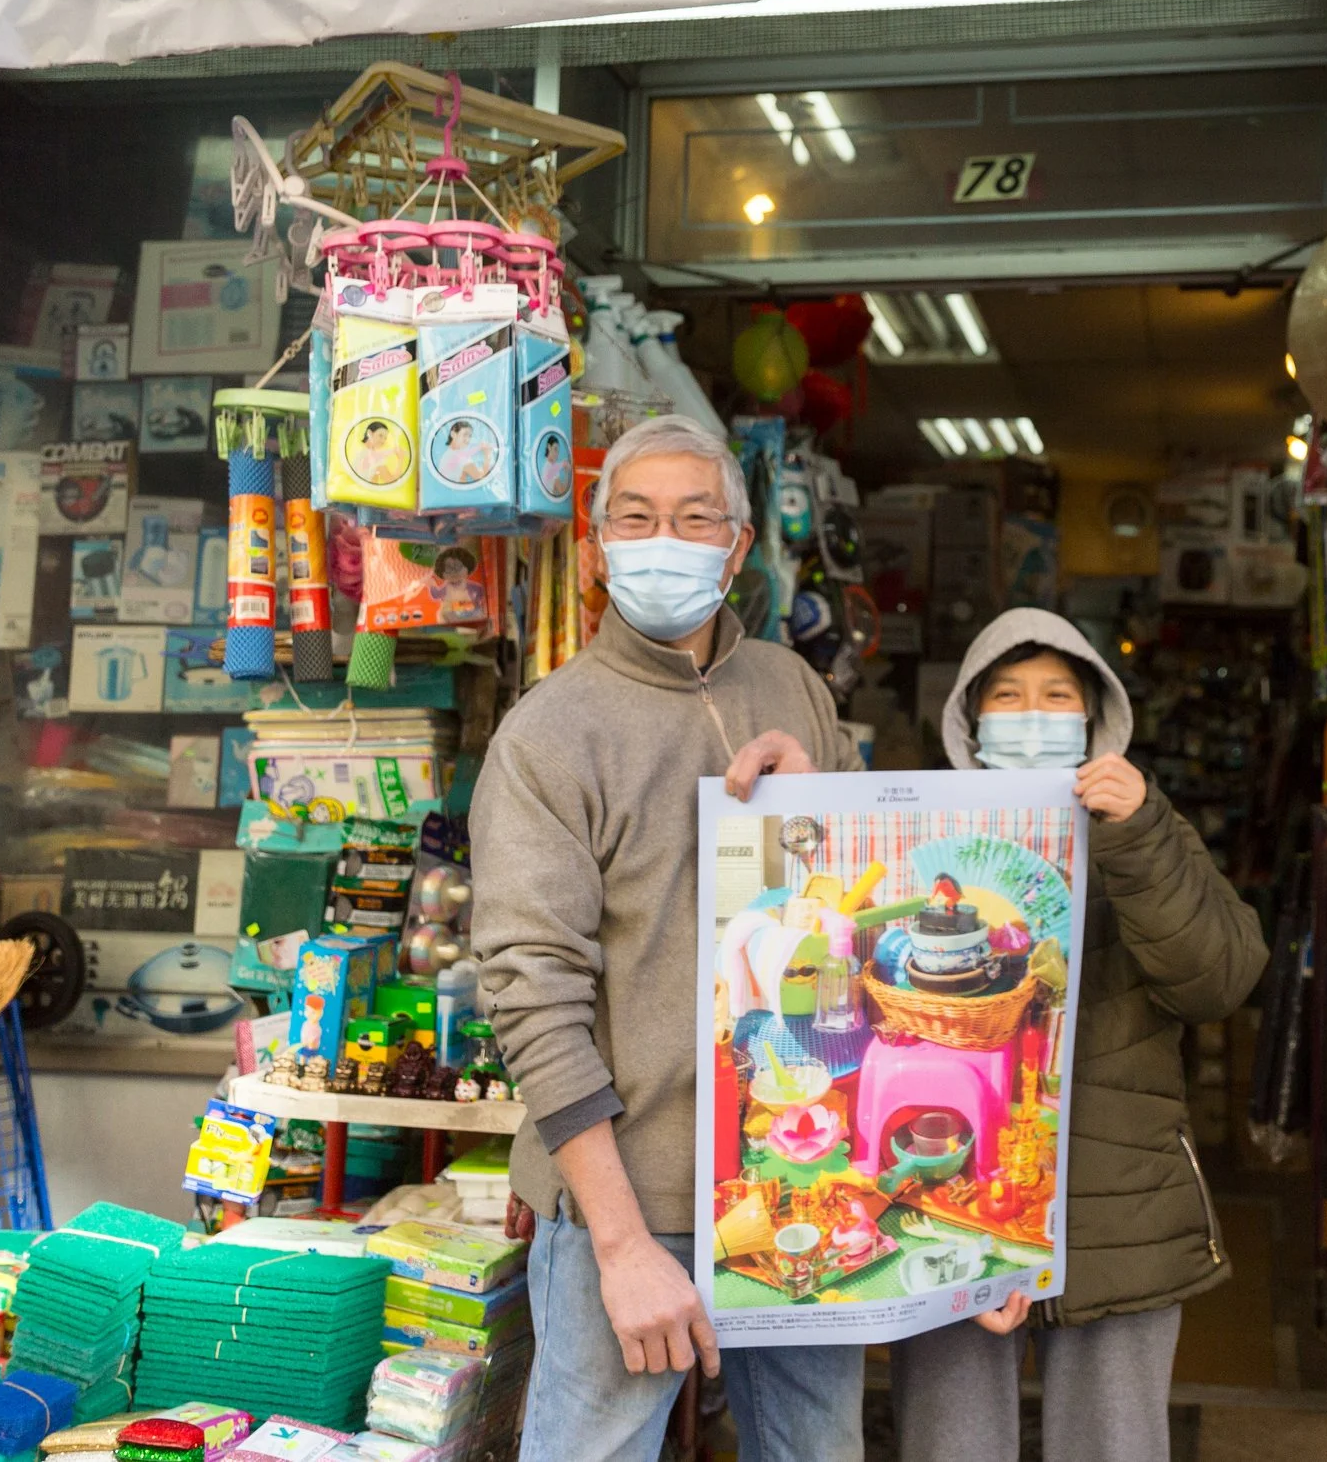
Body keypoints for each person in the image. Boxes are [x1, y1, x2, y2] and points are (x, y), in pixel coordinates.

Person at [473, 414, 867, 1462]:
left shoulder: (793, 686)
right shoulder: (550, 732)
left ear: (736, 548)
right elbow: (531, 995)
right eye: (636, 517)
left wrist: (832, 802)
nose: (666, 538)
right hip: (636, 1198)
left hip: (803, 1176)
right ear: (596, 549)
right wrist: (617, 1239)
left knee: (819, 1448)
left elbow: (860, 911)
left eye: (695, 518)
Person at [890, 606, 1268, 1462]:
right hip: (960, 1203)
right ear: (971, 721)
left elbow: (1219, 979)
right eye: (1008, 696)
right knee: (949, 1446)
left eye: (1056, 696)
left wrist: (1137, 834)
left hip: (1121, 1215)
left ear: (1095, 721)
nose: (1031, 715)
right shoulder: (927, 840)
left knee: (1115, 1446)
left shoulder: (1146, 827)